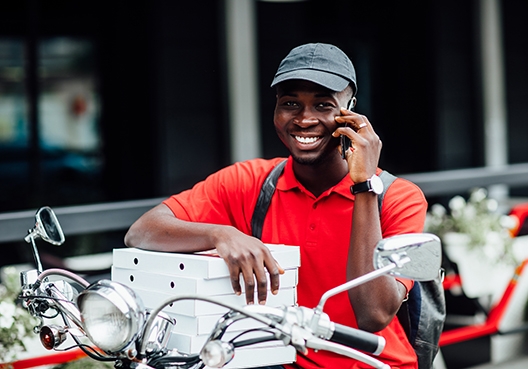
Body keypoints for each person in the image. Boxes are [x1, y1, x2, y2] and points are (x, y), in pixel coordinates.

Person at [125, 43, 427, 369]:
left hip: (372, 363)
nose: (305, 119)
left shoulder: (399, 197)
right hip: (274, 361)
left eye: (323, 105)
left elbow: (373, 314)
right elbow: (141, 233)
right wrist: (220, 234)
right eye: (291, 104)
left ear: (352, 112)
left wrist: (364, 184)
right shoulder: (249, 181)